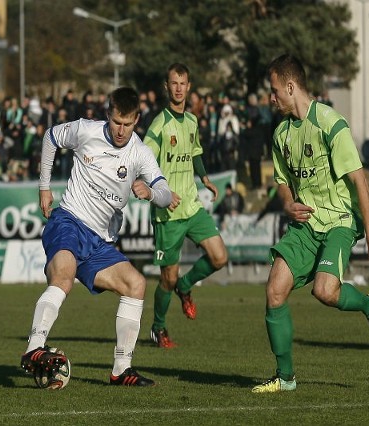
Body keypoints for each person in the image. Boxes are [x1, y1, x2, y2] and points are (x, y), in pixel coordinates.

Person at [252, 54, 369, 394]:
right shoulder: (281, 133)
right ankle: (285, 378)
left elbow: (361, 182)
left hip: (339, 222)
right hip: (305, 227)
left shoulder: (331, 123)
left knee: (325, 291)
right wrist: (287, 203)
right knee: (274, 290)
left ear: (290, 86)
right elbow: (282, 180)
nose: (271, 99)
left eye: (274, 91)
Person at [19, 87, 173, 387]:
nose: (121, 130)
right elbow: (50, 137)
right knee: (64, 274)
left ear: (137, 120)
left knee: (136, 284)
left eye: (128, 124)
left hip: (99, 242)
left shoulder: (140, 152)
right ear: (108, 114)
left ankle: (121, 370)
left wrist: (152, 192)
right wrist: (44, 186)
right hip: (68, 222)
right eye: (116, 122)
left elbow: (166, 194)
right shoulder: (85, 130)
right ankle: (33, 349)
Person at [144, 63, 228, 349]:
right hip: (168, 213)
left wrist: (205, 179)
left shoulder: (192, 121)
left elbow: (195, 153)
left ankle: (187, 285)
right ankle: (158, 328)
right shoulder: (159, 125)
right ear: (167, 87)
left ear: (189, 86)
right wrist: (160, 191)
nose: (178, 88)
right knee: (166, 278)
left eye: (183, 83)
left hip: (192, 206)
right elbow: (144, 161)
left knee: (219, 257)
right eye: (173, 83)